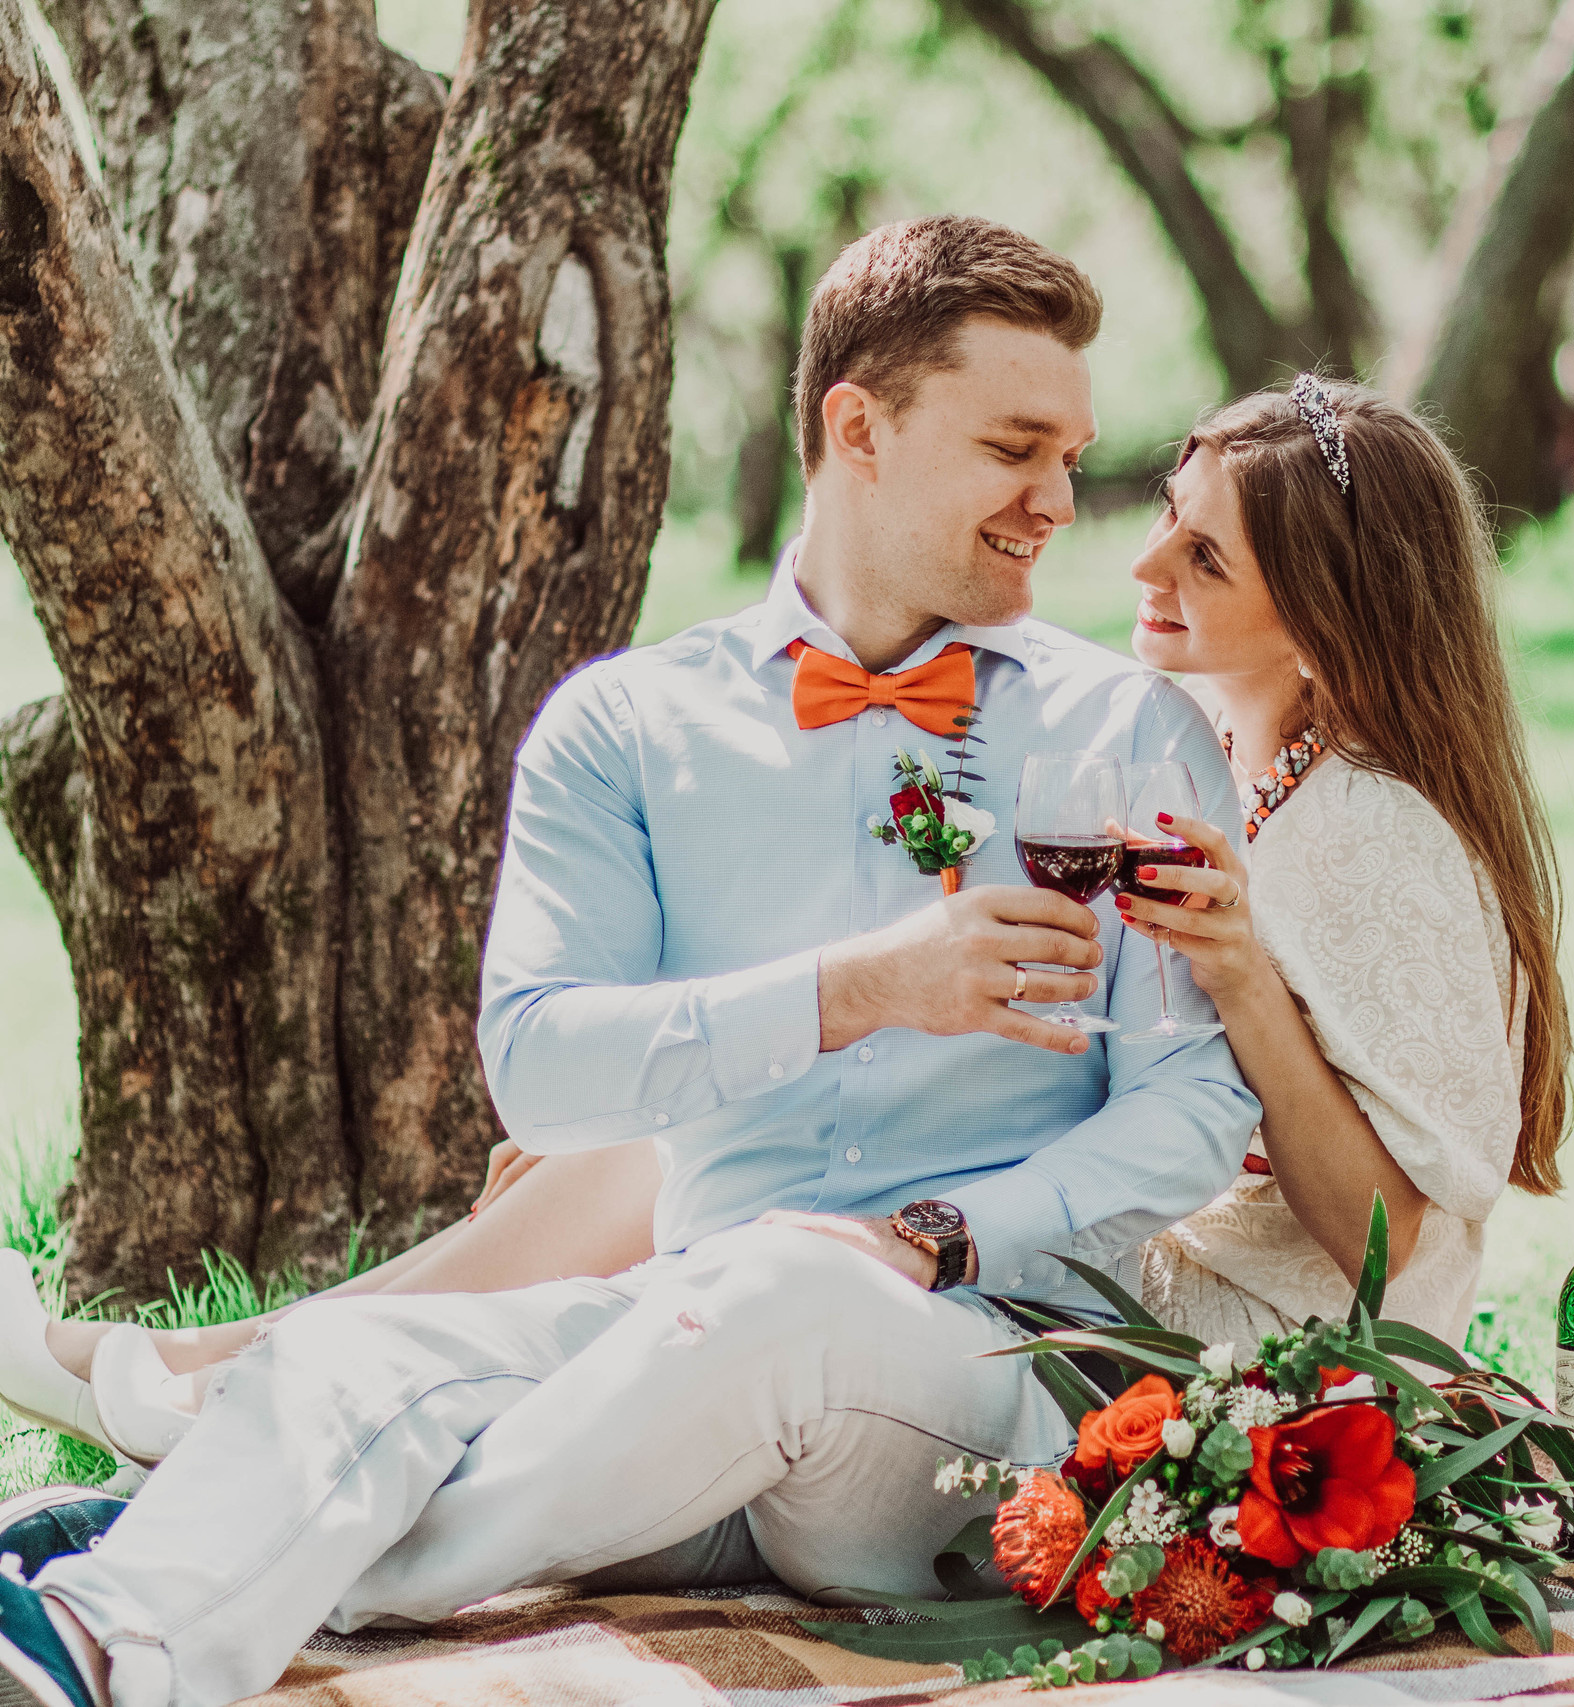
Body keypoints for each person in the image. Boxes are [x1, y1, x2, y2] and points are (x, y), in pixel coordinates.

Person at [0, 214, 1262, 1707]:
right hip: (657, 1385)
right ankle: (98, 1646)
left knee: (784, 1294)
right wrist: (859, 989)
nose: (1062, 500)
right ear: (859, 427)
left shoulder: (1129, 736)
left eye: (1071, 452)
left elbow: (1194, 1110)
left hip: (975, 1391)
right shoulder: (626, 729)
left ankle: (217, 1527)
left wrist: (929, 1231)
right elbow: (543, 1065)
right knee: (361, 1356)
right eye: (1016, 448)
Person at [0, 376, 1574, 1469]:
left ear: (1330, 609)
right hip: (1094, 1263)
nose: (1143, 560)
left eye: (1204, 551)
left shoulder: (1369, 834)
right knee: (675, 1139)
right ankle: (241, 1370)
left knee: (705, 1198)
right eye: (1163, 513)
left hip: (1215, 1373)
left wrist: (1240, 984)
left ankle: (244, 1387)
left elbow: (1391, 1253)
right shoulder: (1242, 771)